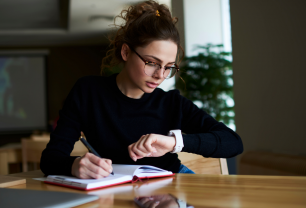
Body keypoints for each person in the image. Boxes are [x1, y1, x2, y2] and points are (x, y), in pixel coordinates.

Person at [40, 0, 243, 179]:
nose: (160, 75)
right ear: (126, 52)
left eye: (168, 67)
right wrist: (74, 165)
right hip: (117, 187)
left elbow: (233, 142)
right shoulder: (88, 92)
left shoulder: (172, 103)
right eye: (152, 62)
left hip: (173, 182)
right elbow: (50, 159)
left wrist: (173, 142)